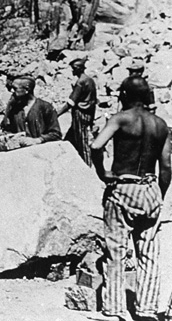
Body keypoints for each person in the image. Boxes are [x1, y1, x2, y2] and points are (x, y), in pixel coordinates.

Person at [90, 76, 170, 321]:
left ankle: (114, 309)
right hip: (150, 190)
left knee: (117, 252)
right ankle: (146, 308)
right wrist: (160, 195)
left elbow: (96, 145)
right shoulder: (160, 124)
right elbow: (167, 165)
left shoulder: (120, 118)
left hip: (123, 188)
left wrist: (103, 172)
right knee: (148, 254)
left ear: (124, 95)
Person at [0, 76, 62, 147]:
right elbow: (6, 128)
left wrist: (38, 140)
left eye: (15, 88)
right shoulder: (14, 109)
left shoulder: (46, 107)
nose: (12, 91)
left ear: (27, 90)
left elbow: (56, 134)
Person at [57, 58, 97, 166]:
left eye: (74, 68)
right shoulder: (90, 80)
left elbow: (71, 102)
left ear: (79, 69)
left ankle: (88, 167)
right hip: (88, 113)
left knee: (82, 142)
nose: (72, 71)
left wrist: (57, 114)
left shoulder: (81, 82)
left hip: (81, 114)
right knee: (69, 139)